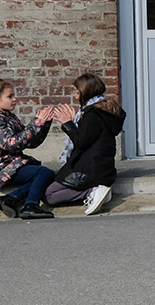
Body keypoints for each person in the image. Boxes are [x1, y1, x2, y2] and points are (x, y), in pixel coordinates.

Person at [0, 78, 59, 220]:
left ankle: (9, 199)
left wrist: (43, 124)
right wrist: (36, 123)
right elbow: (11, 143)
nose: (14, 99)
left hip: (7, 163)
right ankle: (31, 205)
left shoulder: (7, 116)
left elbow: (29, 142)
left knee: (42, 176)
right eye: (10, 96)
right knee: (44, 173)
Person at [42, 73, 125, 216]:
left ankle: (92, 192)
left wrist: (67, 123)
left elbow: (82, 142)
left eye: (77, 92)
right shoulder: (102, 112)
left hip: (89, 170)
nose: (75, 97)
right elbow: (89, 137)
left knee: (49, 195)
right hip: (100, 168)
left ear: (85, 92)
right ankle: (95, 191)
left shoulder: (92, 114)